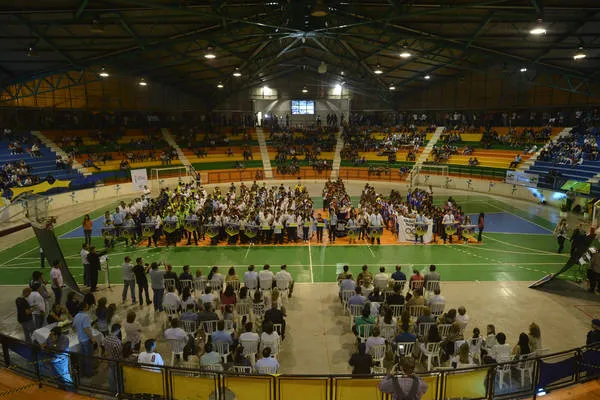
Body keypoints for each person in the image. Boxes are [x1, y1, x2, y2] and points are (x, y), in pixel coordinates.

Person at [73, 301, 97, 377]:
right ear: (84, 307)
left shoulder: (76, 315)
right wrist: (92, 338)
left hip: (80, 339)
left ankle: (82, 373)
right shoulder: (85, 316)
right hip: (86, 339)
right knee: (88, 357)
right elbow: (86, 328)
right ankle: (89, 373)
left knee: (82, 357)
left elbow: (73, 326)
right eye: (87, 306)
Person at [102, 323, 123, 393]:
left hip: (108, 358)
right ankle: (118, 390)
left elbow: (103, 347)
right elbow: (119, 353)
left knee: (111, 374)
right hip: (116, 360)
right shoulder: (117, 342)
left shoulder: (105, 338)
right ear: (118, 330)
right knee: (118, 375)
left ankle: (111, 388)